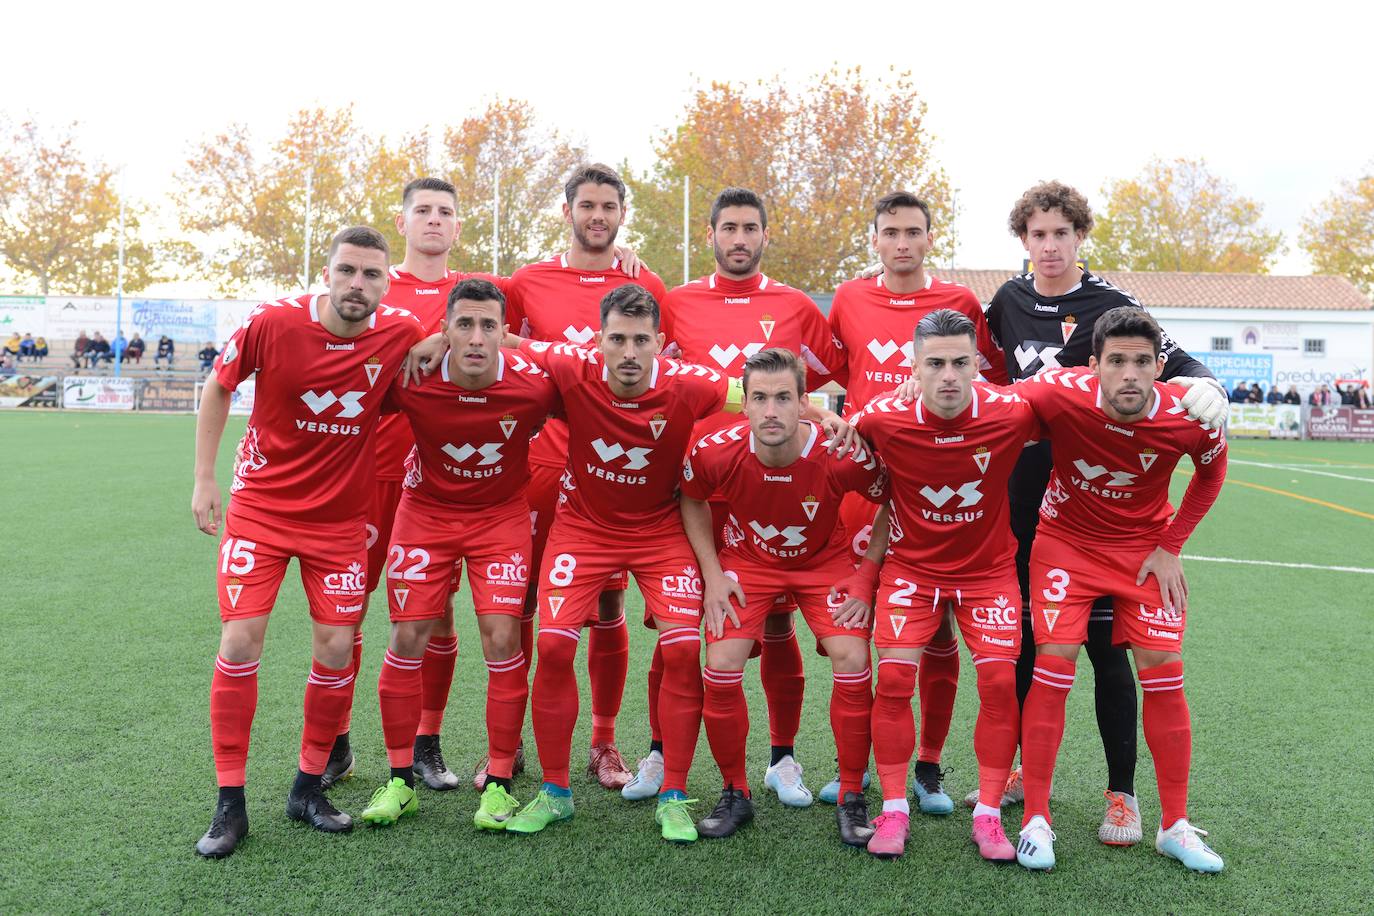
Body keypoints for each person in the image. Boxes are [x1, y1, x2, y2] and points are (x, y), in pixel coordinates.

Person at [980, 180, 1227, 845]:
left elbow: (1173, 360)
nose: (1051, 246)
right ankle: (1023, 776)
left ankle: (1122, 793)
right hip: (1026, 499)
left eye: (1063, 233)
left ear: (1081, 236)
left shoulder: (1111, 306)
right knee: (1031, 645)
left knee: (1109, 652)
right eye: (1038, 234)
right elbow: (985, 380)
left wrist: (1208, 385)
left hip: (1102, 504)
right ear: (1024, 240)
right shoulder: (1005, 301)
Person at [188, 226, 424, 859]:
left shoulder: (399, 333)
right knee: (239, 639)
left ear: (386, 282)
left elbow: (455, 344)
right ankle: (230, 802)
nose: (358, 284)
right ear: (327, 273)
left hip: (340, 523)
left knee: (337, 645)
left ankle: (308, 786)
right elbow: (219, 385)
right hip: (261, 511)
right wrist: (206, 478)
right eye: (347, 271)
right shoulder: (273, 323)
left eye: (372, 274)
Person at [1012, 307, 1228, 874]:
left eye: (1141, 362)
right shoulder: (1058, 392)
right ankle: (1037, 817)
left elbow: (1211, 474)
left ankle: (1173, 825)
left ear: (1160, 366)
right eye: (1116, 362)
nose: (1129, 374)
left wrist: (1172, 544)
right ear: (1093, 366)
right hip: (1065, 544)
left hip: (1142, 553)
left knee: (1164, 671)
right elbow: (995, 408)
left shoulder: (1188, 417)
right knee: (1052, 666)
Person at [650, 187, 847, 808]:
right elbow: (649, 364)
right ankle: (661, 750)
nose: (739, 238)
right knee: (680, 624)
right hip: (699, 485)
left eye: (750, 228)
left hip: (776, 484)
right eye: (729, 227)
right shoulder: (675, 302)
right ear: (710, 235)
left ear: (765, 236)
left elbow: (835, 370)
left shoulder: (792, 303)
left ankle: (782, 759)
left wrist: (812, 410)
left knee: (782, 618)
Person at [830, 190, 1009, 813]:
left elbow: (984, 374)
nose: (901, 242)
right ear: (874, 239)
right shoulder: (849, 298)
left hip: (938, 469)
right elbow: (827, 368)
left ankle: (927, 765)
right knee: (859, 631)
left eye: (913, 231)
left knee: (937, 639)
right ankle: (857, 767)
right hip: (871, 475)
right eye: (890, 232)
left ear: (930, 238)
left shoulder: (958, 302)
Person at [359, 279, 559, 832]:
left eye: (488, 326)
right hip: (424, 515)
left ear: (505, 332)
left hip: (500, 519)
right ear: (444, 330)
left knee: (502, 635)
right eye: (463, 325)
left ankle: (497, 784)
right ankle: (399, 780)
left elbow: (596, 393)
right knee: (408, 636)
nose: (476, 337)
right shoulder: (413, 378)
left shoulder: (535, 388)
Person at [499, 164, 669, 792]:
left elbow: (658, 367)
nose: (598, 216)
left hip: (616, 467)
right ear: (565, 211)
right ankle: (510, 737)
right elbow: (506, 347)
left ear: (622, 214)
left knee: (608, 601)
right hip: (541, 461)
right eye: (587, 205)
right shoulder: (527, 282)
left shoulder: (643, 281)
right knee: (520, 602)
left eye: (609, 206)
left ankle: (602, 742)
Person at [681, 347, 885, 846]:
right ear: (744, 405)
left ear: (803, 403)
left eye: (783, 398)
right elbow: (691, 497)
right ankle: (734, 792)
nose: (771, 411)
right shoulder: (716, 450)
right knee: (722, 660)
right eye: (760, 398)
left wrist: (864, 577)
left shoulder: (840, 453)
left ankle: (852, 793)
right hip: (750, 562)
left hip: (825, 563)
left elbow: (892, 498)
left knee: (852, 655)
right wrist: (712, 574)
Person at [852, 310, 1035, 862]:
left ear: (979, 365)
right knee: (894, 682)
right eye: (935, 364)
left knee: (1001, 684)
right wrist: (863, 575)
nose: (949, 375)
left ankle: (987, 816)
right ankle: (892, 808)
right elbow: (835, 442)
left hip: (988, 573)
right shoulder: (881, 418)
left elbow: (1081, 410)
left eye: (961, 362)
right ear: (914, 368)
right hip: (911, 571)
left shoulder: (1014, 412)